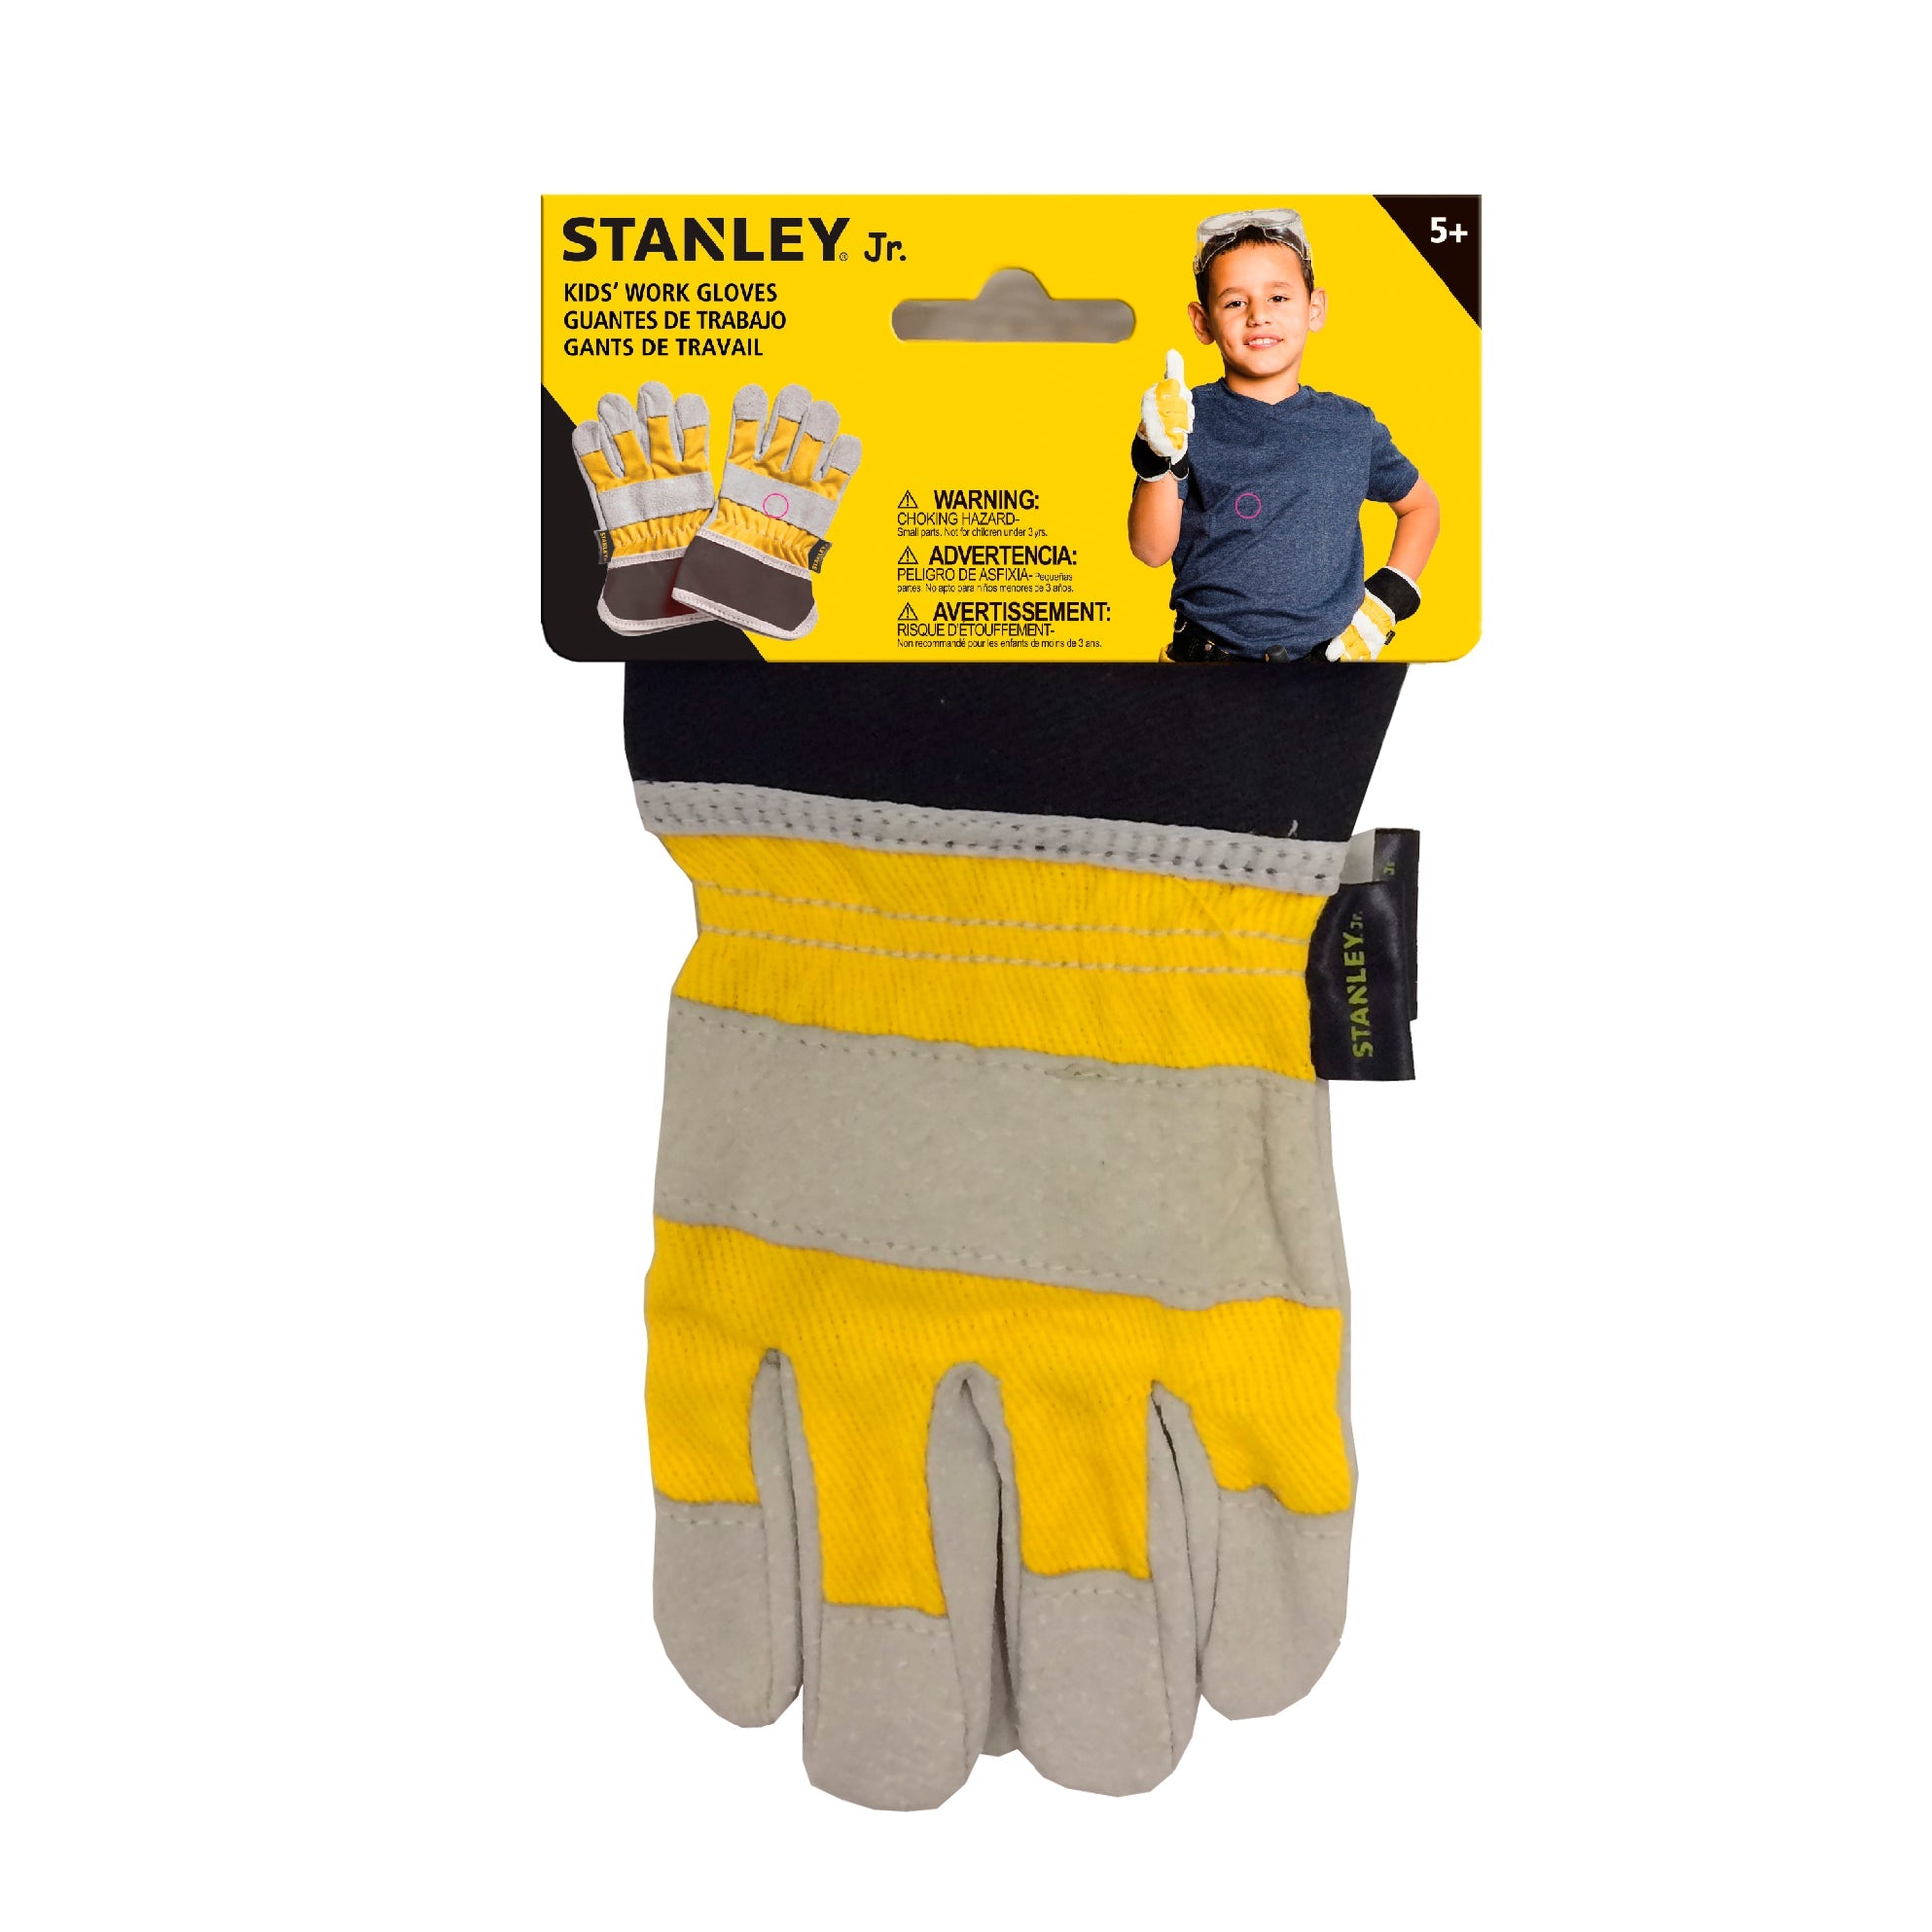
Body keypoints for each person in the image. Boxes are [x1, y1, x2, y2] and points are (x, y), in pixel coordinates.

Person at [1127, 209, 1441, 663]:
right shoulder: (1182, 418)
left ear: (1315, 308)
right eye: (1235, 302)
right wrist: (1157, 456)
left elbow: (1421, 507)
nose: (1259, 316)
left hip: (1325, 675)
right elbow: (1151, 550)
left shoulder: (1351, 426)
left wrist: (1389, 599)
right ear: (1203, 322)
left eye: (1278, 297)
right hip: (1203, 669)